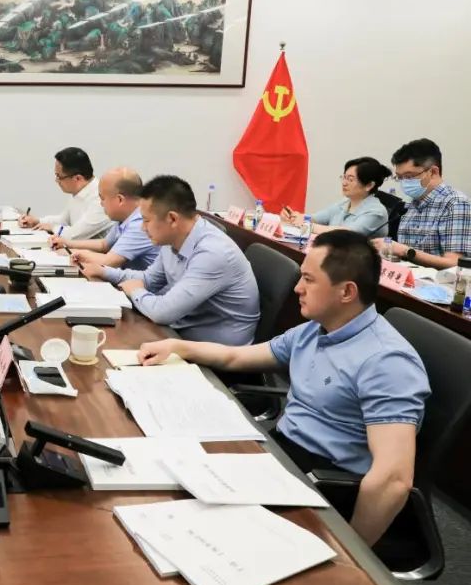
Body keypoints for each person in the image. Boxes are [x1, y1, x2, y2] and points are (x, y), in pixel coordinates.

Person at [139, 230, 429, 546]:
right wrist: (178, 347)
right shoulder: (315, 330)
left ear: (346, 291)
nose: (297, 288)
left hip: (328, 483)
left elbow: (393, 480)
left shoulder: (387, 361)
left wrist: (353, 553)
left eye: (309, 280)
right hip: (284, 455)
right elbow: (236, 357)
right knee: (178, 481)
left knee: (208, 531)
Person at [100, 175, 259, 346]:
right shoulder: (173, 238)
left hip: (216, 351)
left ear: (172, 219)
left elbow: (163, 312)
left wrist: (136, 291)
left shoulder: (212, 253)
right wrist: (103, 271)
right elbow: (149, 280)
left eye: (146, 220)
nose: (142, 227)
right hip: (182, 332)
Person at [375, 138, 471, 269]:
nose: (404, 182)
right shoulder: (411, 205)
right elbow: (401, 253)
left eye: (409, 176)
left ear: (433, 172)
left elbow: (455, 264)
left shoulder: (455, 204)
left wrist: (406, 251)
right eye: (400, 177)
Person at [57, 167, 158, 273]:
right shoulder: (125, 217)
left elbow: (109, 261)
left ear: (120, 200)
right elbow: (104, 245)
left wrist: (73, 253)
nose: (101, 204)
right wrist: (68, 244)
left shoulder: (140, 224)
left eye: (102, 198)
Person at [281, 157, 391, 239]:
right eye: (344, 177)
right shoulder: (344, 203)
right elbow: (315, 218)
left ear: (369, 185)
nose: (344, 183)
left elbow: (347, 233)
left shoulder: (376, 212)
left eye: (350, 179)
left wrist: (307, 225)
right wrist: (295, 216)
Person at [18, 147, 111, 240]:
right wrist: (37, 221)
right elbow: (64, 221)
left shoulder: (101, 198)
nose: (56, 180)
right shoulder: (79, 191)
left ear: (77, 178)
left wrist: (52, 228)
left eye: (59, 176)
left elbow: (75, 235)